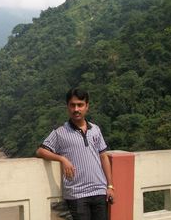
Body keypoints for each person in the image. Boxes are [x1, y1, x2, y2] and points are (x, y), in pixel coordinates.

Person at [36, 88, 114, 220]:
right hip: (77, 194)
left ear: (87, 106)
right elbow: (40, 151)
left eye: (80, 105)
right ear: (68, 107)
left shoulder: (95, 129)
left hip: (99, 191)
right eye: (72, 105)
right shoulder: (60, 132)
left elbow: (103, 156)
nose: (76, 109)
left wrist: (110, 186)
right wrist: (62, 159)